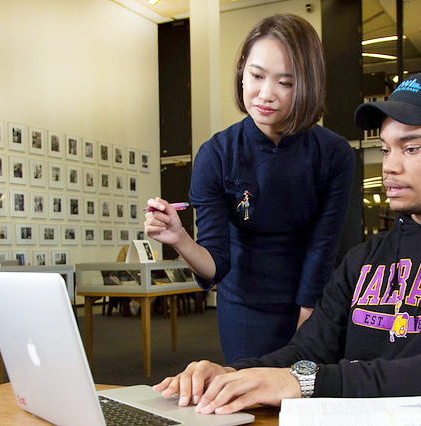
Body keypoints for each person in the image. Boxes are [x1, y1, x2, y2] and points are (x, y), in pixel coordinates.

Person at [151, 71, 421, 415]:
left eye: (411, 148)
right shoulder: (366, 258)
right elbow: (307, 351)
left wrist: (308, 382)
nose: (391, 166)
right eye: (386, 149)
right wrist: (233, 374)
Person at [144, 14, 355, 363]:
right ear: (242, 70)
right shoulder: (217, 154)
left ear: (308, 84)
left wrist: (308, 320)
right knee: (247, 391)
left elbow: (324, 245)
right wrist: (179, 238)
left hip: (315, 301)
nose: (266, 94)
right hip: (244, 306)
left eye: (285, 82)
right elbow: (216, 265)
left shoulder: (333, 153)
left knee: (309, 393)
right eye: (256, 76)